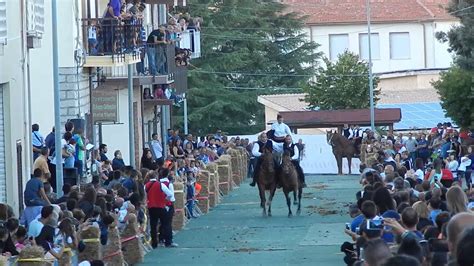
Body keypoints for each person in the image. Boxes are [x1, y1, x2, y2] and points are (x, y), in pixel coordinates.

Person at [145, 169, 178, 248]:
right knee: (166, 224)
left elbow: (144, 196)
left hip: (151, 207)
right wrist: (165, 199)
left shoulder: (146, 185)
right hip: (160, 206)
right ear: (156, 176)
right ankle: (168, 242)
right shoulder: (160, 184)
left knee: (153, 226)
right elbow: (170, 194)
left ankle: (154, 243)